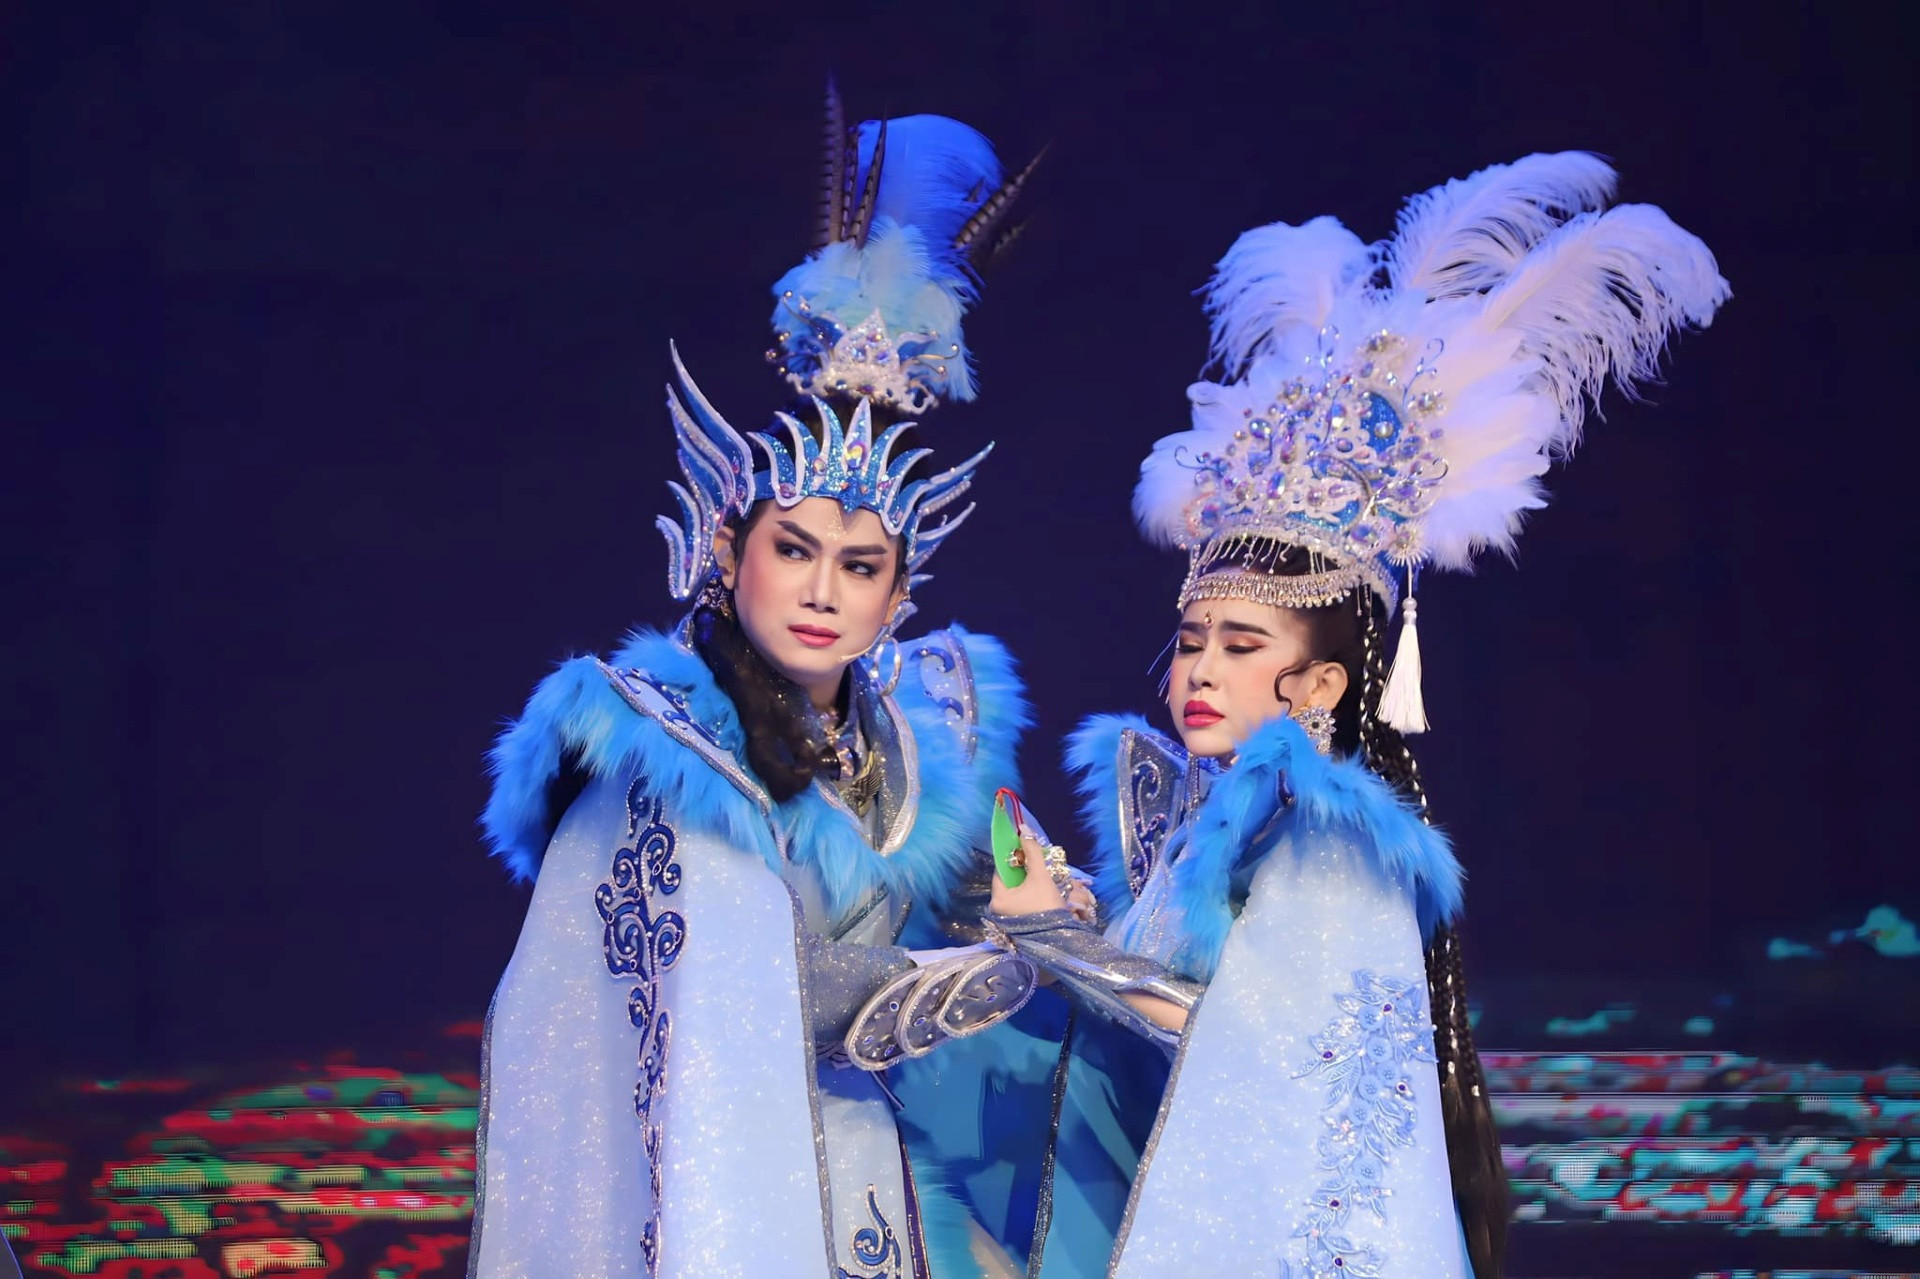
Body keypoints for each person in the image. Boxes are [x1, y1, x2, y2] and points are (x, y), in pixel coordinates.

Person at [985, 153, 1729, 1277]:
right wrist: (1074, 923)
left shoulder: (1336, 838)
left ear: (1321, 685)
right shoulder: (1212, 823)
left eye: (1243, 645)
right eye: (1192, 639)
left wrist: (1058, 941)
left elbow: (1261, 1047)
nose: (1199, 670)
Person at [468, 90, 1043, 1279]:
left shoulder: (924, 735)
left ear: (899, 594)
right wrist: (980, 973)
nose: (822, 590)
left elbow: (981, 908)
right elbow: (735, 996)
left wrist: (1038, 919)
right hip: (714, 1200)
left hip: (877, 1191)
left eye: (860, 566)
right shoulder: (656, 749)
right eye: (794, 550)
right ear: (728, 552)